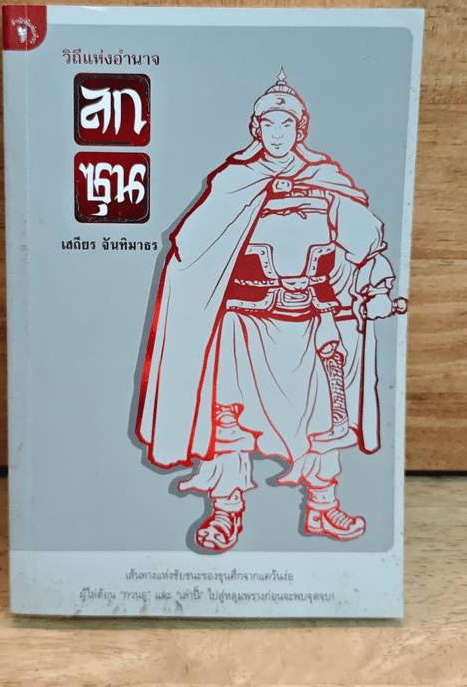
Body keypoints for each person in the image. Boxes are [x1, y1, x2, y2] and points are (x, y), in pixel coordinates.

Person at [136, 70, 401, 552]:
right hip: (244, 323)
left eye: (286, 124)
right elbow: (193, 246)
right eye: (268, 124)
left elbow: (366, 245)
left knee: (326, 417)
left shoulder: (325, 181)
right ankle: (225, 510)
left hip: (314, 324)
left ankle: (323, 505)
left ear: (300, 128)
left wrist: (376, 287)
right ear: (256, 128)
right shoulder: (234, 182)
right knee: (227, 418)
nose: (277, 133)